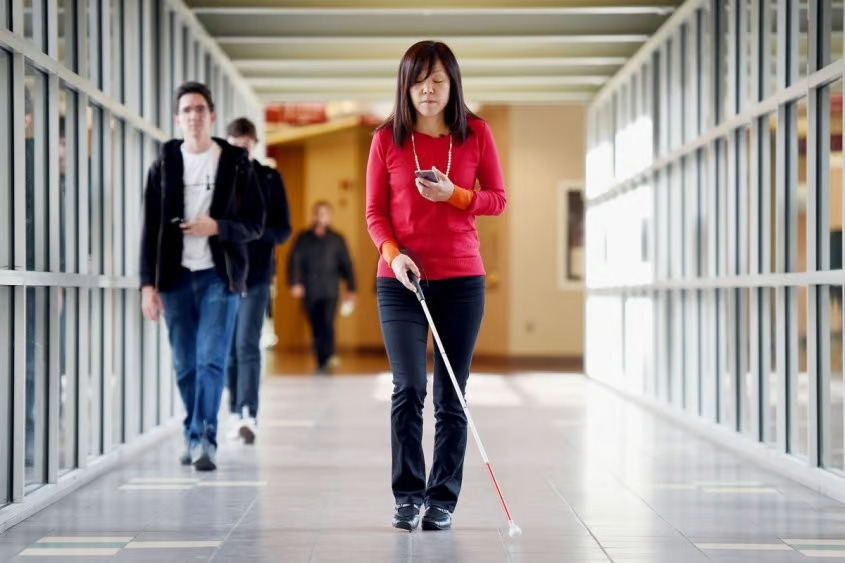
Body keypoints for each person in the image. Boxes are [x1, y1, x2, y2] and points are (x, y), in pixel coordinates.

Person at [365, 40, 507, 531]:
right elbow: (374, 214)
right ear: (405, 85)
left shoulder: (477, 135)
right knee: (408, 387)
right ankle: (407, 495)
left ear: (452, 85)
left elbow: (497, 200)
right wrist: (394, 254)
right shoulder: (386, 139)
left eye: (438, 81)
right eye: (419, 80)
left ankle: (442, 497)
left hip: (462, 279)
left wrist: (456, 195)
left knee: (452, 394)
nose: (428, 89)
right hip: (400, 278)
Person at [139, 81, 265, 471]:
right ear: (178, 119)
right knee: (186, 364)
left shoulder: (235, 163)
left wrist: (219, 227)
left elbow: (256, 224)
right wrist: (148, 286)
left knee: (212, 359)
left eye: (200, 109)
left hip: (218, 275)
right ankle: (193, 429)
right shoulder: (163, 164)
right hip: (175, 279)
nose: (193, 116)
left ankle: (203, 438)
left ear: (212, 116)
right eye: (186, 110)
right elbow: (150, 229)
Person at [225, 117, 291, 444]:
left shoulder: (269, 178)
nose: (242, 152)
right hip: (222, 275)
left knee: (247, 343)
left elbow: (284, 229)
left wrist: (253, 232)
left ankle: (248, 411)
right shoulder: (218, 179)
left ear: (254, 145)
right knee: (228, 348)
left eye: (247, 146)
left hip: (257, 274)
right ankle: (234, 409)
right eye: (236, 146)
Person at [287, 201, 356, 375]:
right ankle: (321, 361)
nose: (321, 216)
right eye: (318, 213)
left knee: (328, 322)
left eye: (324, 213)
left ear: (329, 216)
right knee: (316, 326)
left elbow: (347, 265)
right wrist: (294, 283)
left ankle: (330, 356)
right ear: (314, 215)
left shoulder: (337, 239)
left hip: (330, 290)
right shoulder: (303, 238)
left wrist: (351, 289)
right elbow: (293, 261)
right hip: (309, 290)